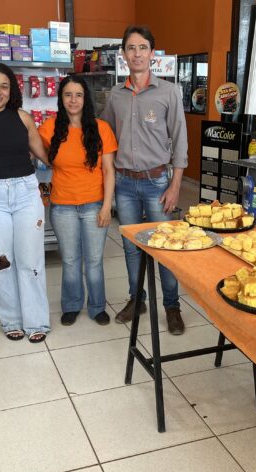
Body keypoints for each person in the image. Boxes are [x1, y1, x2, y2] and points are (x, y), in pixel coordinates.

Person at [101, 25, 188, 335]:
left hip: (157, 183)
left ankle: (172, 306)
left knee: (164, 247)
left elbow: (180, 141)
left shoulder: (169, 92)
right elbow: (107, 140)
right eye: (131, 48)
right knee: (131, 247)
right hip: (125, 184)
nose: (136, 54)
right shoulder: (115, 95)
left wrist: (175, 186)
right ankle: (137, 300)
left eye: (142, 48)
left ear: (152, 53)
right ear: (123, 54)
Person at [0, 63, 51, 342]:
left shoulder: (23, 117)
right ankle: (11, 319)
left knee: (30, 259)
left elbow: (45, 155)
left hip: (26, 192)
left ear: (11, 90)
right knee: (1, 260)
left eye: (4, 86)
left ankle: (37, 321)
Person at [38, 75, 117, 327]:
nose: (73, 100)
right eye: (68, 95)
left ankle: (97, 307)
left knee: (94, 260)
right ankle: (71, 305)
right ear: (61, 98)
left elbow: (109, 171)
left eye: (78, 95)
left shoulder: (101, 128)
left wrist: (107, 206)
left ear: (86, 99)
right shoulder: (49, 128)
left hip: (94, 204)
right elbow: (35, 150)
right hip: (62, 206)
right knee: (70, 260)